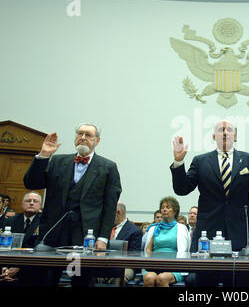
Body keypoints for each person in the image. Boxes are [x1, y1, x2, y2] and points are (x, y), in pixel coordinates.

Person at [23, 123, 122, 287]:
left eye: (88, 135)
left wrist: (103, 238)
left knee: (79, 280)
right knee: (45, 279)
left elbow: (110, 206)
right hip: (53, 234)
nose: (83, 137)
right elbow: (31, 183)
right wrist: (43, 156)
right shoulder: (57, 161)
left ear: (97, 140)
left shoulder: (108, 167)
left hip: (85, 237)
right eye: (80, 133)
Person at [170, 119, 249, 287]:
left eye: (229, 130)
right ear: (214, 136)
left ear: (235, 136)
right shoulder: (201, 161)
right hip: (207, 234)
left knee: (238, 285)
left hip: (240, 233)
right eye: (220, 130)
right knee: (206, 283)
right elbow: (182, 189)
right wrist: (178, 162)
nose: (225, 132)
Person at [142, 196, 190, 287]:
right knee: (149, 278)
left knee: (162, 278)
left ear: (175, 211)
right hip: (154, 265)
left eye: (168, 207)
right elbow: (148, 249)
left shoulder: (181, 228)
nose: (164, 209)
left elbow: (184, 251)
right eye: (163, 207)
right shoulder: (154, 228)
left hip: (175, 267)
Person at [0, 191, 42, 287]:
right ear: (22, 204)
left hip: (31, 266)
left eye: (35, 201)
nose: (31, 203)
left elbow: (38, 248)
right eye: (28, 200)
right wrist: (5, 266)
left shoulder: (45, 222)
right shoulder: (11, 220)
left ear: (40, 205)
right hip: (8, 263)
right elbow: (4, 244)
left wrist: (18, 267)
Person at [97, 201, 142, 286]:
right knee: (89, 274)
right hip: (104, 264)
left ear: (118, 212)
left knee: (118, 277)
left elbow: (134, 256)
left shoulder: (135, 231)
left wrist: (115, 267)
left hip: (126, 266)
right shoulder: (104, 228)